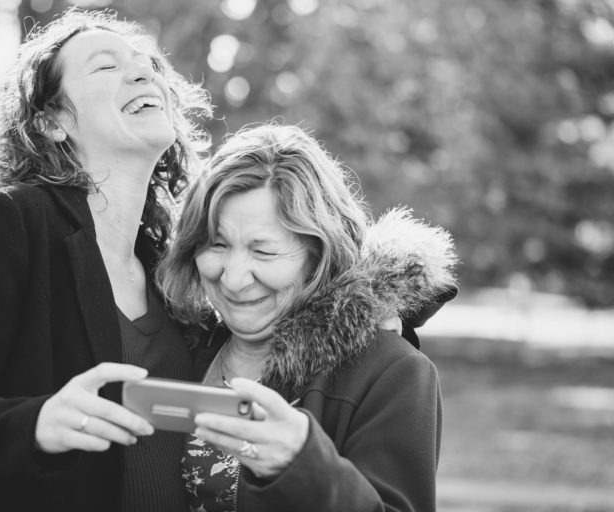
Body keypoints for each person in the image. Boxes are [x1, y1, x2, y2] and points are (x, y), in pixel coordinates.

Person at [0, 8, 212, 512]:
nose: (142, 71)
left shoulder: (173, 263)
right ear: (53, 122)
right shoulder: (14, 220)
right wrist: (39, 423)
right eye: (105, 67)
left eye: (145, 63)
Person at [157, 123, 459, 511]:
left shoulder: (391, 371)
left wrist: (303, 464)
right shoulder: (181, 345)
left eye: (263, 252)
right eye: (217, 245)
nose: (232, 278)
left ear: (319, 254)